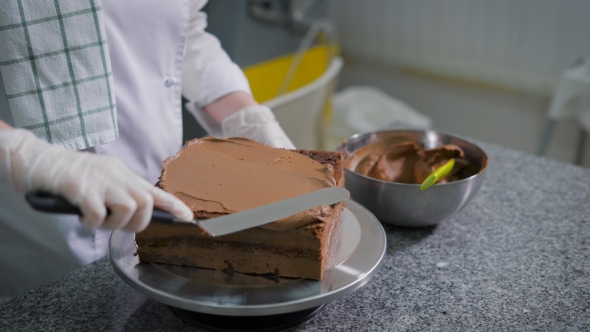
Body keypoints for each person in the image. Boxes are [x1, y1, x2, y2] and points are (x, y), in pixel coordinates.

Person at [0, 0, 295, 303]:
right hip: (31, 221)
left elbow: (185, 31)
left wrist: (244, 117)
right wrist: (25, 154)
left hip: (156, 211)